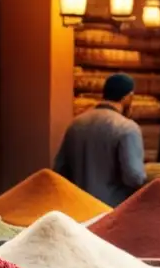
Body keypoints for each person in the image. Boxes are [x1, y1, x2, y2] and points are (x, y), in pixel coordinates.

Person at [54, 73, 146, 207]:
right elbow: (134, 177)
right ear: (128, 97)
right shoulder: (127, 128)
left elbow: (59, 170)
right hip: (111, 211)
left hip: (77, 209)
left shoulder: (76, 124)